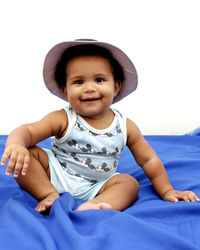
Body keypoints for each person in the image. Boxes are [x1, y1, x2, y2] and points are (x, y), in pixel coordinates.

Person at [1, 39, 199, 213]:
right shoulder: (63, 118)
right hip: (55, 173)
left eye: (99, 79)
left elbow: (148, 160)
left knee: (129, 184)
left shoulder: (125, 126)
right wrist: (17, 144)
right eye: (78, 82)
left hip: (98, 184)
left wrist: (167, 190)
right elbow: (27, 131)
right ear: (65, 90)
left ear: (116, 86)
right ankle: (49, 194)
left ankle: (98, 204)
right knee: (30, 153)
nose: (89, 88)